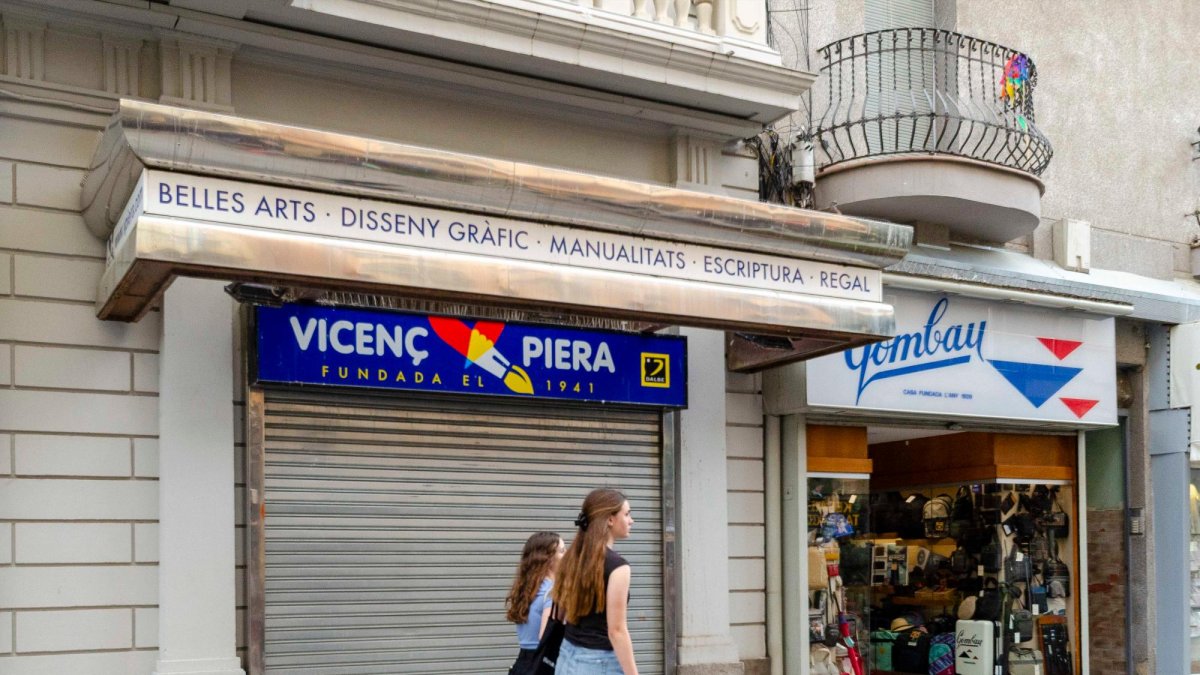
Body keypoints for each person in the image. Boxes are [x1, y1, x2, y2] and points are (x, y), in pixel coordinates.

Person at [552, 488, 639, 675]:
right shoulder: (618, 567)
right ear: (610, 519)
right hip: (599, 662)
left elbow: (561, 612)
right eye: (627, 514)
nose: (631, 520)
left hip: (566, 656)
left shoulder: (572, 557)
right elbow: (616, 631)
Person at [505, 531, 565, 675]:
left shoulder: (526, 591)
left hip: (522, 664)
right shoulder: (552, 592)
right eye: (562, 551)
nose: (567, 555)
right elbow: (547, 640)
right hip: (543, 666)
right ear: (548, 558)